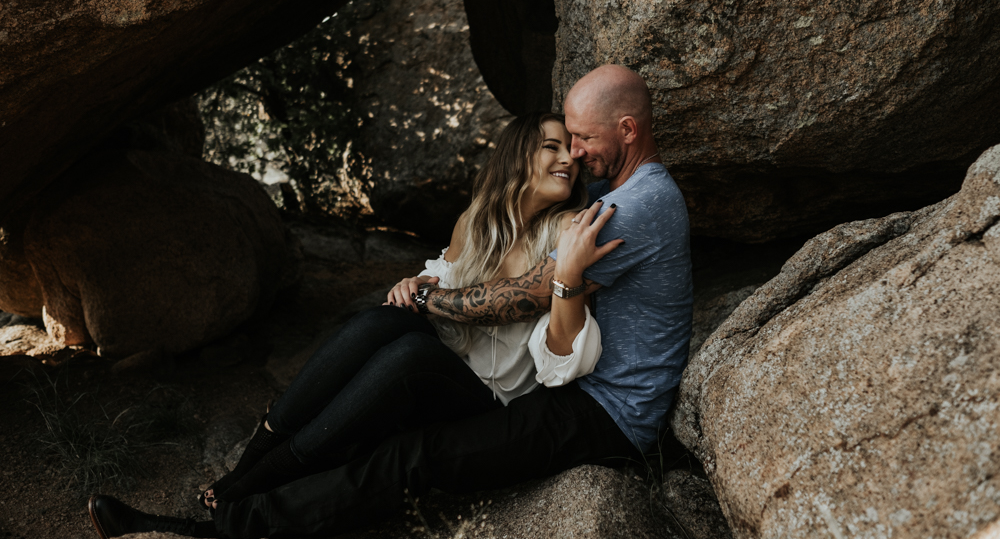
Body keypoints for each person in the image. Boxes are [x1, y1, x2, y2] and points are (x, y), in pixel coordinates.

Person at [88, 64, 694, 539]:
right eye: (562, 142)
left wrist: (431, 303)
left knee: (416, 452)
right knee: (388, 333)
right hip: (571, 391)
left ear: (628, 130)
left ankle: (223, 525)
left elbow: (529, 295)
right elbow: (497, 278)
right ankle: (249, 478)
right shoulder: (606, 199)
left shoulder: (631, 209)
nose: (576, 155)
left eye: (583, 139)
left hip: (605, 413)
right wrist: (420, 296)